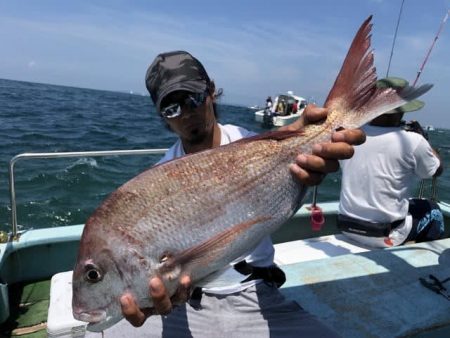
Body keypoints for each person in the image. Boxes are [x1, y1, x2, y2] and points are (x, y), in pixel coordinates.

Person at [88, 50, 365, 338]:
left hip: (253, 292)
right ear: (162, 116)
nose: (186, 115)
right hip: (184, 304)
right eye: (172, 109)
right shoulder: (157, 180)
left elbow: (289, 176)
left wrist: (310, 155)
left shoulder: (250, 145)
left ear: (210, 92)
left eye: (192, 99)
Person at [338, 77, 444, 248]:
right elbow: (436, 170)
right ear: (401, 110)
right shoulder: (413, 140)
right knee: (433, 210)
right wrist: (424, 140)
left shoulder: (350, 135)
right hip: (386, 235)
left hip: (346, 227)